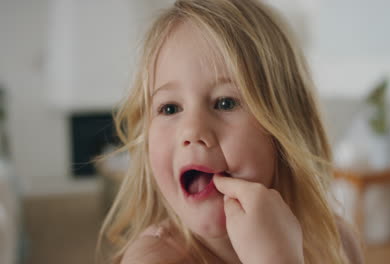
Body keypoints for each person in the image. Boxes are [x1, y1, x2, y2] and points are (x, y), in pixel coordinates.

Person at [98, 0, 363, 263]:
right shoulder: (153, 260)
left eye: (225, 103)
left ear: (286, 125)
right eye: (169, 108)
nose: (192, 131)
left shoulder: (336, 242)